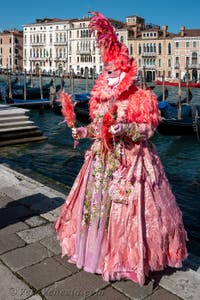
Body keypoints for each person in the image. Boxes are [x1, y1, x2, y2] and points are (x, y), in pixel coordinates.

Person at [55, 12, 187, 286]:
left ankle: (130, 259)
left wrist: (125, 129)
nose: (110, 75)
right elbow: (95, 128)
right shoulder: (101, 98)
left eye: (115, 70)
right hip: (102, 162)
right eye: (108, 71)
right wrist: (82, 131)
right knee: (97, 209)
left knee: (129, 212)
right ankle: (100, 253)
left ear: (126, 70)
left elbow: (147, 130)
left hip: (132, 163)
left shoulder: (142, 97)